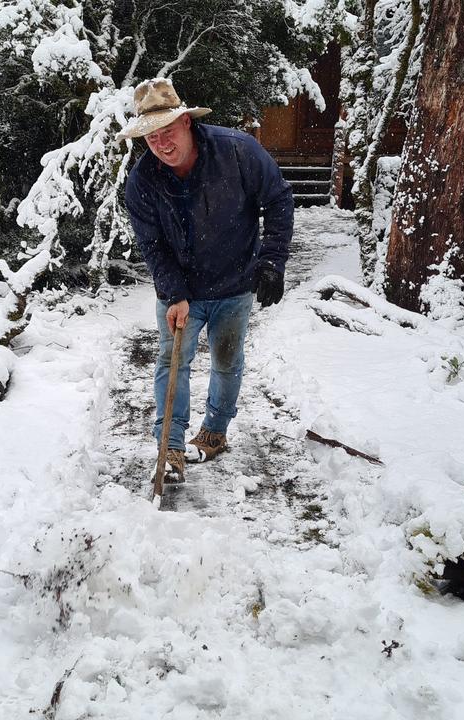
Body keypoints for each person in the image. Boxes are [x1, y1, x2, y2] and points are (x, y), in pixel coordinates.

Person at [119, 77, 294, 483]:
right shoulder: (143, 181)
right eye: (150, 138)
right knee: (173, 361)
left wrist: (272, 262)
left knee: (227, 361)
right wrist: (174, 292)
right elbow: (152, 244)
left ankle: (214, 431)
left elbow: (279, 198)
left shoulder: (237, 150)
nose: (161, 144)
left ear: (186, 121)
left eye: (167, 132)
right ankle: (171, 447)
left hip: (234, 284)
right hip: (181, 289)